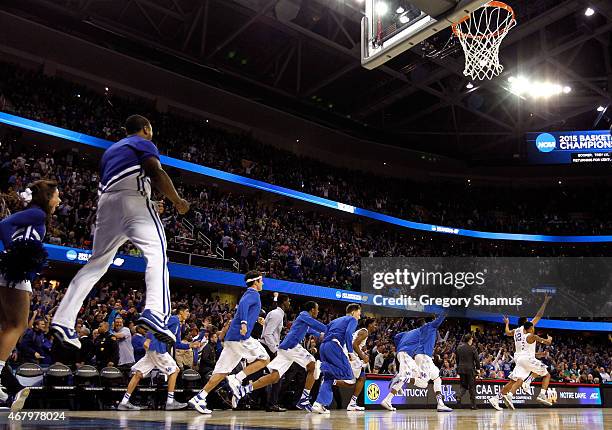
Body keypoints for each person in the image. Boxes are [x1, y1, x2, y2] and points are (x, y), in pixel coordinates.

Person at [51, 115, 190, 348]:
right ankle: (156, 311)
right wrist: (177, 200)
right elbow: (155, 172)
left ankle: (63, 320)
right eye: (151, 128)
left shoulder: (111, 151)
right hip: (132, 199)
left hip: (106, 204)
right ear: (146, 128)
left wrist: (149, 204)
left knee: (96, 264)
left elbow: (119, 186)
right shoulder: (143, 142)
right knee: (157, 253)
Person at [0, 180, 60, 411]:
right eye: (57, 195)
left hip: (10, 271)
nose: (60, 200)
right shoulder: (37, 213)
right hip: (14, 272)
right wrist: (12, 254)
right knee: (18, 326)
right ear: (48, 197)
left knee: (7, 326)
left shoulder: (35, 215)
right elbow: (4, 224)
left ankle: (7, 387)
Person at [189, 271, 270, 414]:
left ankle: (199, 398)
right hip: (241, 338)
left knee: (221, 372)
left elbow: (242, 309)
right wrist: (244, 323)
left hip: (231, 339)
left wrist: (254, 319)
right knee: (265, 359)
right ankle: (237, 378)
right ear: (256, 282)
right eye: (261, 280)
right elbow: (244, 306)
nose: (263, 283)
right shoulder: (253, 294)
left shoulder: (247, 294)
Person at [231, 301, 327, 412]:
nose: (318, 311)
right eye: (317, 309)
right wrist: (330, 329)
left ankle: (243, 390)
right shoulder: (304, 315)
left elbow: (313, 330)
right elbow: (316, 324)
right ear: (312, 309)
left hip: (284, 349)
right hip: (291, 347)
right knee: (313, 366)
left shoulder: (304, 321)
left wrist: (323, 335)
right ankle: (304, 399)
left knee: (274, 377)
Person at [118, 304, 193, 411]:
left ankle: (124, 402)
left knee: (138, 374)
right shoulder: (173, 319)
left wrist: (190, 345)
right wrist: (148, 339)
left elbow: (177, 344)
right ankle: (170, 402)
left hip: (154, 350)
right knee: (175, 370)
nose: (188, 313)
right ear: (180, 312)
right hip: (158, 347)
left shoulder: (178, 325)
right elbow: (155, 326)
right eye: (186, 311)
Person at [488, 295, 551, 410]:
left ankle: (497, 398)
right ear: (526, 322)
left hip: (520, 357)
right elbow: (539, 315)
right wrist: (545, 302)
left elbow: (507, 333)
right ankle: (531, 384)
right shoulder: (528, 329)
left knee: (515, 380)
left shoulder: (515, 331)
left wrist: (506, 323)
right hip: (526, 358)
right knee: (544, 372)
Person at [382, 313, 452, 412]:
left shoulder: (411, 332)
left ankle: (388, 399)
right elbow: (440, 319)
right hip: (424, 357)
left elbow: (396, 337)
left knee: (436, 378)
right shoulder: (429, 326)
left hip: (418, 357)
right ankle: (400, 378)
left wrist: (400, 347)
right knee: (423, 383)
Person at [311, 303, 361, 414]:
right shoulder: (352, 320)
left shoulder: (334, 321)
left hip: (323, 346)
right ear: (353, 312)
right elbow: (348, 333)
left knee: (329, 378)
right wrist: (350, 352)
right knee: (348, 374)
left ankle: (319, 404)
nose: (359, 316)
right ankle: (321, 366)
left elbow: (323, 334)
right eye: (359, 313)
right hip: (334, 345)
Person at [259, 294, 290, 412]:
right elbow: (267, 334)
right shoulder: (277, 314)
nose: (289, 304)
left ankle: (269, 403)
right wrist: (275, 351)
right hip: (268, 347)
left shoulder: (277, 314)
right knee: (278, 375)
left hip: (268, 347)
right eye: (288, 301)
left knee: (276, 376)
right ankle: (271, 403)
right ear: (283, 302)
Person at [344, 318, 377, 411]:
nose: (376, 326)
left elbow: (357, 344)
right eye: (374, 324)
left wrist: (363, 352)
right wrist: (363, 356)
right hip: (350, 355)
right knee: (352, 382)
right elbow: (354, 344)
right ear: (369, 324)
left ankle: (352, 403)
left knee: (361, 378)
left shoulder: (363, 332)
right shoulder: (365, 332)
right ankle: (331, 381)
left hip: (350, 354)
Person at [456, 333, 479, 409]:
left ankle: (458, 396)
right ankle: (473, 405)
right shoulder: (472, 348)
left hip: (461, 369)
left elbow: (457, 360)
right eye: (472, 339)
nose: (472, 340)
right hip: (470, 370)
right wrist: (478, 369)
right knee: (472, 387)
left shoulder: (459, 348)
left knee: (463, 386)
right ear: (469, 339)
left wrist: (458, 368)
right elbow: (477, 360)